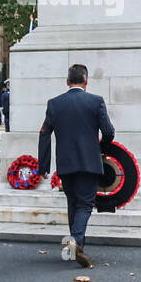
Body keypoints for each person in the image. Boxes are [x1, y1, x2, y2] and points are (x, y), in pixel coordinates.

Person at [38, 63, 114, 269]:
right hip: (89, 162)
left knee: (73, 203)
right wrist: (102, 149)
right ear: (86, 81)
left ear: (67, 81)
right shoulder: (95, 102)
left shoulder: (54, 103)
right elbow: (109, 131)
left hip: (66, 163)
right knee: (85, 204)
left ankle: (76, 248)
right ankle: (76, 240)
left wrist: (43, 166)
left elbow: (44, 133)